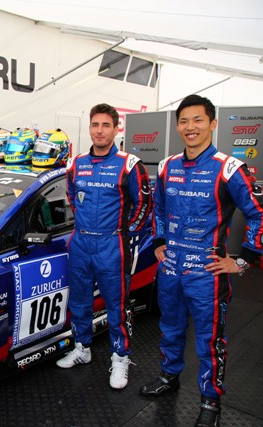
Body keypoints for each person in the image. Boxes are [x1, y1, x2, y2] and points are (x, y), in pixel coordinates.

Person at [139, 95, 263, 426]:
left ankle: (210, 400)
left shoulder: (229, 168)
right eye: (184, 121)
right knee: (170, 328)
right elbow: (159, 209)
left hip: (207, 273)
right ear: (177, 126)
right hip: (171, 268)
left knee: (210, 340)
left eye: (198, 120)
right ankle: (169, 376)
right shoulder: (167, 166)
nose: (190, 127)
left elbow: (258, 214)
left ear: (213, 123)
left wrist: (242, 262)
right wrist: (160, 241)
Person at [57, 103, 152, 390]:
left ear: (115, 128)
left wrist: (126, 231)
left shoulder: (129, 164)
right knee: (79, 300)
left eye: (105, 125)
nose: (99, 131)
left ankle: (120, 357)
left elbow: (144, 203)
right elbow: (72, 196)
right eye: (95, 125)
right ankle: (82, 348)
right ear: (89, 128)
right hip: (81, 241)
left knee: (116, 305)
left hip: (112, 243)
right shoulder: (77, 163)